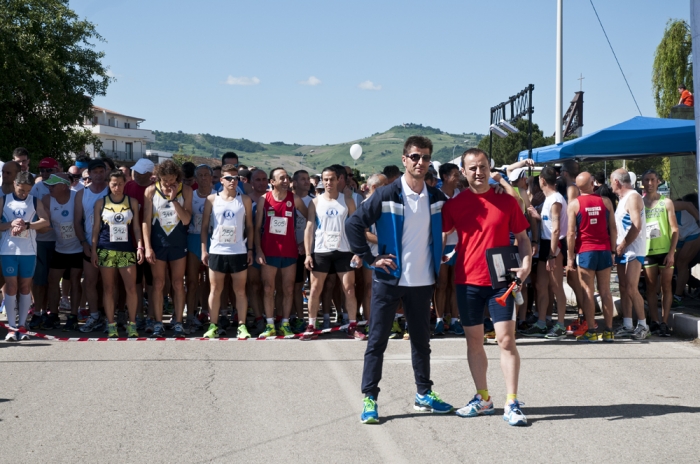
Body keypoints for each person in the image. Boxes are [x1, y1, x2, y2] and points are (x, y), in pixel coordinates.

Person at [346, 135, 454, 424]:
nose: (421, 162)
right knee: (377, 341)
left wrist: (446, 255)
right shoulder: (386, 194)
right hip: (388, 280)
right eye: (415, 157)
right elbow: (354, 224)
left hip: (422, 282)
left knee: (421, 341)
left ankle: (423, 393)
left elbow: (459, 226)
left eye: (426, 157)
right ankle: (370, 398)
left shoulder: (436, 198)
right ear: (405, 159)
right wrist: (370, 259)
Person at [441, 148, 531, 426]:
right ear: (463, 173)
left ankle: (512, 402)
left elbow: (523, 238)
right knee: (474, 342)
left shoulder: (507, 202)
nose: (478, 172)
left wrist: (526, 264)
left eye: (482, 167)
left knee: (506, 340)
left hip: (500, 282)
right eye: (472, 168)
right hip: (467, 281)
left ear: (489, 168)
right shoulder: (453, 205)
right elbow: (440, 237)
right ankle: (483, 399)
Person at [303, 167, 364, 340]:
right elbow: (309, 228)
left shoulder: (348, 201)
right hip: (321, 251)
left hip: (344, 251)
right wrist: (308, 254)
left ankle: (352, 325)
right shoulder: (315, 202)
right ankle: (311, 325)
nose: (329, 183)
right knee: (315, 289)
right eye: (325, 180)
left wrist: (358, 252)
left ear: (339, 180)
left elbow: (356, 227)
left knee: (349, 289)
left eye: (332, 179)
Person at [201, 165, 254, 339]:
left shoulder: (244, 199)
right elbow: (204, 227)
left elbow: (250, 227)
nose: (233, 181)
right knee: (215, 290)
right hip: (217, 250)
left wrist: (250, 249)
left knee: (240, 291)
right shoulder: (211, 199)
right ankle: (213, 325)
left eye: (235, 178)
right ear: (221, 180)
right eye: (229, 178)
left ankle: (242, 326)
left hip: (238, 250)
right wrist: (204, 250)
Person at [254, 167, 308, 338]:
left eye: (287, 178)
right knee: (269, 288)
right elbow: (255, 229)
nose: (286, 181)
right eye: (282, 178)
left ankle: (285, 323)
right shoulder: (264, 200)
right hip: (269, 252)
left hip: (290, 252)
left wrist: (304, 244)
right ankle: (269, 324)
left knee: (289, 289)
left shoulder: (295, 199)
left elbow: (311, 219)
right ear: (273, 182)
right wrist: (259, 251)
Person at [91, 170, 144, 338]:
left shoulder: (132, 202)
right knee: (108, 288)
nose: (117, 187)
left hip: (127, 250)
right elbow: (96, 229)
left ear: (125, 184)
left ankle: (132, 323)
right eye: (114, 184)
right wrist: (93, 250)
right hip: (106, 248)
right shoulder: (101, 203)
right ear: (109, 184)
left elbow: (136, 227)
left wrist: (140, 247)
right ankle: (111, 324)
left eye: (120, 184)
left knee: (131, 288)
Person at [143, 160, 193, 338]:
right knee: (158, 284)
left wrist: (174, 201)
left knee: (178, 283)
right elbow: (145, 222)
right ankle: (158, 322)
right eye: (165, 180)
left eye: (172, 179)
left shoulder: (185, 190)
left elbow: (187, 220)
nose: (168, 183)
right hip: (158, 243)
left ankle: (178, 322)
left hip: (178, 242)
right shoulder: (150, 191)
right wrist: (147, 247)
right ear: (159, 177)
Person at [566, 172, 617, 342]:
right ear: (593, 183)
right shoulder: (606, 201)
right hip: (604, 250)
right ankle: (609, 331)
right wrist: (613, 251)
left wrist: (570, 257)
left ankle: (592, 331)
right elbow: (613, 229)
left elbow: (571, 233)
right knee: (605, 291)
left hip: (586, 252)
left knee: (587, 291)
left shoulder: (574, 204)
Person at [1, 172, 50, 341]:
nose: (24, 194)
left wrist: (27, 225)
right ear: (15, 184)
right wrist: (10, 224)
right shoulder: (4, 199)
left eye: (27, 191)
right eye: (21, 190)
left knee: (25, 287)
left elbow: (45, 221)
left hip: (28, 250)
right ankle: (11, 327)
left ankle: (22, 326)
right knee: (11, 286)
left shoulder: (35, 201)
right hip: (8, 250)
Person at [521, 166, 569, 339]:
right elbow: (550, 224)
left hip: (553, 247)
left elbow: (556, 230)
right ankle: (541, 322)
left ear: (542, 180)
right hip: (546, 244)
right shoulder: (550, 199)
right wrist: (537, 216)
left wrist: (552, 255)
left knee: (556, 287)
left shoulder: (555, 199)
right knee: (541, 285)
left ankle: (561, 325)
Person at [610, 169, 650, 340]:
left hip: (633, 249)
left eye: (611, 181)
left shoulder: (633, 197)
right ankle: (627, 324)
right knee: (624, 288)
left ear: (617, 182)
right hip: (623, 248)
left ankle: (643, 325)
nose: (610, 184)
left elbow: (636, 226)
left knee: (632, 288)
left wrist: (623, 245)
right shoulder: (622, 199)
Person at [42, 174, 84, 331]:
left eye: (53, 185)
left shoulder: (77, 197)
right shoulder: (47, 200)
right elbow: (43, 221)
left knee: (75, 280)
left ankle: (73, 316)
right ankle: (53, 314)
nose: (49, 188)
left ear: (65, 186)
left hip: (78, 247)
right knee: (52, 280)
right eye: (49, 185)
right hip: (60, 247)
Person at [642, 170, 678, 337]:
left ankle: (664, 322)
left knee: (666, 286)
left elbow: (675, 230)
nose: (649, 183)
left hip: (665, 251)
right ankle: (655, 321)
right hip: (648, 250)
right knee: (650, 287)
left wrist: (671, 253)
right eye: (646, 180)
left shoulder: (666, 202)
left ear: (658, 182)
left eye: (652, 180)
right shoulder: (640, 203)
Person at [74, 159, 110, 333]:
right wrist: (83, 243)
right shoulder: (82, 194)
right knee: (90, 281)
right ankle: (94, 314)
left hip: (111, 243)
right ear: (89, 174)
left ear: (105, 172)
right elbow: (76, 221)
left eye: (101, 171)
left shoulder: (112, 190)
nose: (98, 175)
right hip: (90, 243)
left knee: (109, 283)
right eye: (94, 172)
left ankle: (108, 315)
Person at [28, 158, 60, 329]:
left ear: (57, 169)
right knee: (39, 280)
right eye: (42, 170)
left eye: (49, 170)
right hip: (40, 240)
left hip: (59, 241)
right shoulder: (36, 188)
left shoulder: (64, 186)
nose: (45, 174)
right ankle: (38, 311)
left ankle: (51, 312)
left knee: (53, 280)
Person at [124, 158, 155, 330]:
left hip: (151, 242)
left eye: (140, 173)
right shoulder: (128, 186)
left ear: (150, 175)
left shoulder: (154, 189)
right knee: (135, 281)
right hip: (130, 240)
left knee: (151, 282)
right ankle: (139, 315)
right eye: (135, 171)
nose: (136, 174)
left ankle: (151, 315)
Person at [435, 162, 464, 336]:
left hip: (459, 245)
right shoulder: (436, 196)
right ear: (445, 177)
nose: (458, 177)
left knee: (455, 284)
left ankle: (454, 320)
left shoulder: (461, 194)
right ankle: (439, 321)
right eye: (455, 174)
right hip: (442, 245)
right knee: (441, 284)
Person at [185, 164, 213, 333]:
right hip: (193, 239)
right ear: (195, 179)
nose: (203, 178)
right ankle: (190, 315)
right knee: (192, 281)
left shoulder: (218, 196)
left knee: (211, 282)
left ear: (211, 178)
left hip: (214, 241)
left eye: (206, 175)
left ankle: (208, 312)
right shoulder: (191, 195)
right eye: (200, 175)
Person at [360, 173, 387, 334]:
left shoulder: (387, 204)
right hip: (371, 254)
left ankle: (384, 322)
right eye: (385, 186)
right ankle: (370, 322)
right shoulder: (365, 205)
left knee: (385, 290)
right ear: (375, 188)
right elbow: (364, 233)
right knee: (370, 288)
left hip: (387, 254)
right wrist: (385, 241)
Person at [291, 169, 314, 333]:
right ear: (295, 182)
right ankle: (298, 317)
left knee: (314, 286)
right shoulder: (289, 200)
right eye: (303, 179)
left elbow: (314, 226)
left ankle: (313, 319)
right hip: (291, 250)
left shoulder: (315, 202)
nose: (307, 182)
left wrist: (304, 245)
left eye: (308, 179)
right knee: (295, 286)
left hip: (310, 250)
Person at [672, 197, 700, 307]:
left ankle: (678, 297)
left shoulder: (668, 204)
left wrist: (698, 221)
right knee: (670, 264)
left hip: (693, 232)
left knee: (681, 263)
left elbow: (688, 205)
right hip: (678, 236)